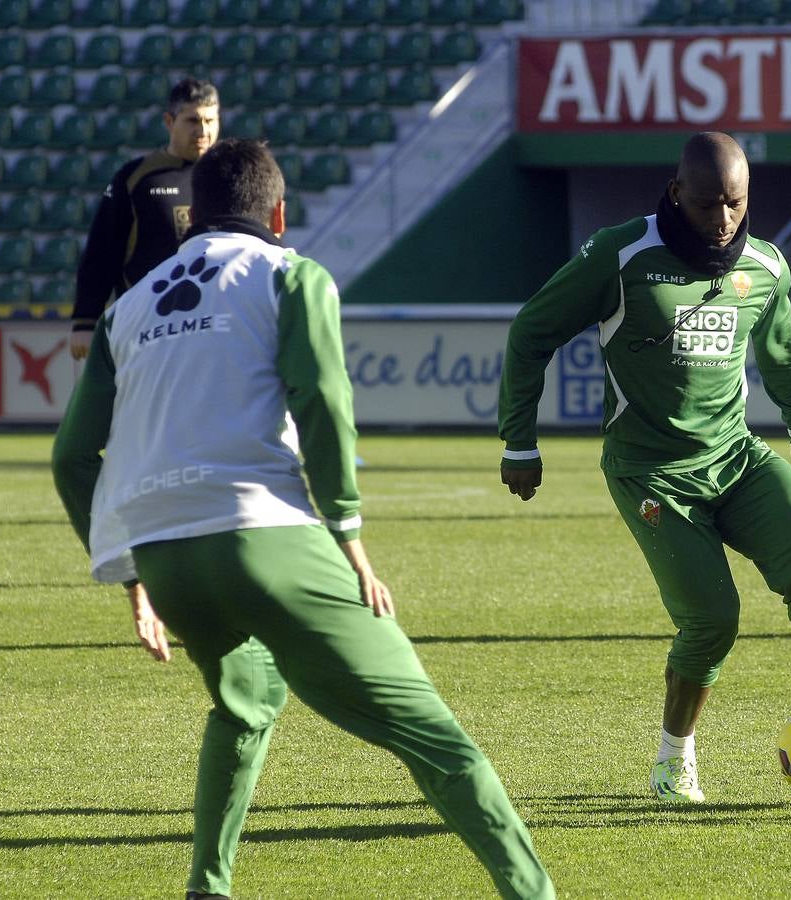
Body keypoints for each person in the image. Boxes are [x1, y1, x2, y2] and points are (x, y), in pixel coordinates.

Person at [52, 139, 554, 900]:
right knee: (436, 740)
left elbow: (69, 458)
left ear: (189, 216)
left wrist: (128, 574)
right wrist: (349, 537)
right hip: (264, 536)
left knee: (244, 704)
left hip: (165, 556)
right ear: (279, 214)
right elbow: (323, 401)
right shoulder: (291, 274)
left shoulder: (128, 305)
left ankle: (207, 887)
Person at [498, 132, 791, 804]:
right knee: (712, 619)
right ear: (675, 193)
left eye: (734, 203)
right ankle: (673, 760)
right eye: (707, 205)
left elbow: (781, 346)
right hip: (651, 472)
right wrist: (519, 442)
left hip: (735, 457)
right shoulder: (621, 253)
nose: (723, 219)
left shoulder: (764, 265)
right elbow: (531, 332)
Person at [69, 77, 221, 361]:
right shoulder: (136, 178)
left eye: (211, 121)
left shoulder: (228, 177)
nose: (203, 130)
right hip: (145, 326)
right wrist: (85, 320)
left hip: (212, 326)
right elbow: (102, 251)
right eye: (192, 120)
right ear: (168, 121)